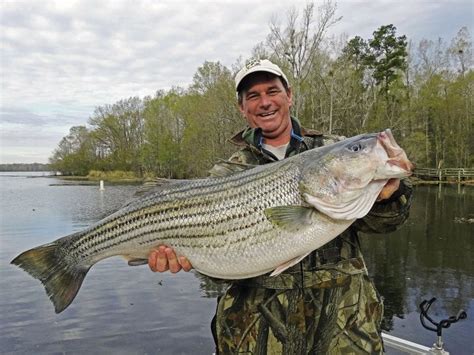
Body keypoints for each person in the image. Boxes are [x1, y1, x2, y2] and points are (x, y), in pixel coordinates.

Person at [148, 59, 412, 354]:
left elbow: (388, 223)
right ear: (242, 108)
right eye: (253, 96)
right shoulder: (228, 173)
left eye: (272, 91)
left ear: (290, 95)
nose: (265, 102)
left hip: (344, 326)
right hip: (256, 333)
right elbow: (221, 265)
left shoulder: (328, 147)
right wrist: (187, 258)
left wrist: (391, 192)